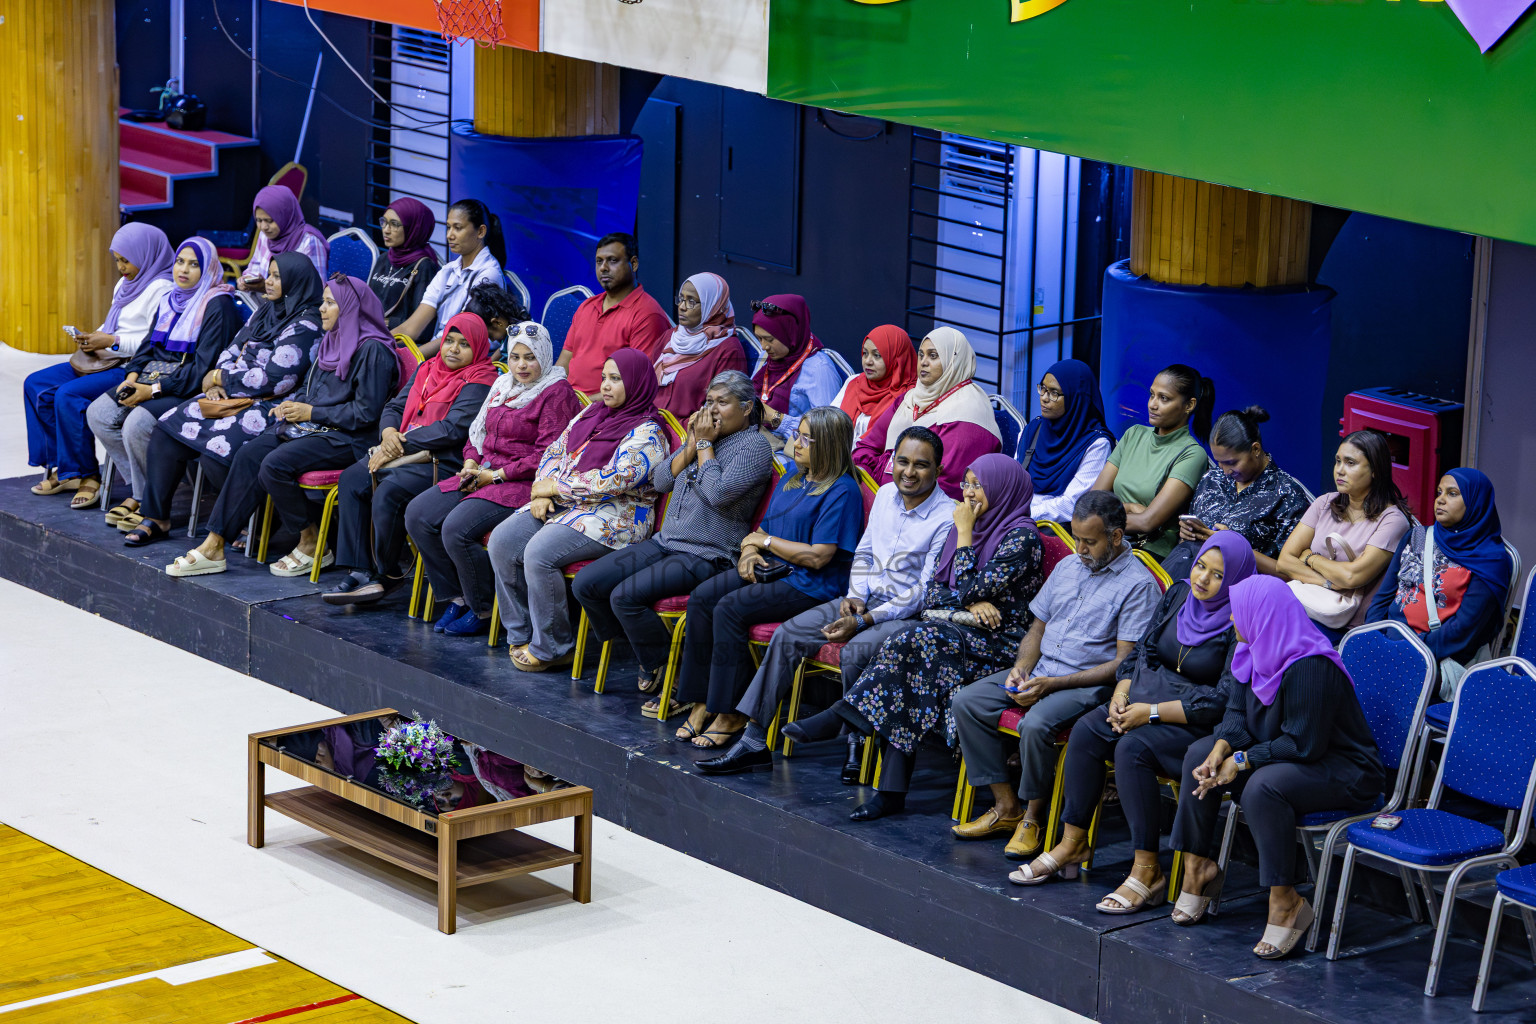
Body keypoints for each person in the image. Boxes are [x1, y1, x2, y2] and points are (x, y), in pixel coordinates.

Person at [784, 454, 1047, 821]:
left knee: (912, 644)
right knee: (910, 663)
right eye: (966, 483)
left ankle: (846, 720)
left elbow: (969, 589)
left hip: (999, 643)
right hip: (950, 633)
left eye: (978, 485)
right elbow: (935, 593)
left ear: (1003, 489)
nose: (968, 494)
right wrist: (968, 604)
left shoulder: (1022, 538)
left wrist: (967, 543)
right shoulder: (962, 527)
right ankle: (887, 788)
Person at [1010, 533, 1255, 912]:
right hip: (1143, 700)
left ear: (1236, 580)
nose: (1203, 579)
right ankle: (1073, 841)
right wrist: (1122, 694)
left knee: (1132, 748)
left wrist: (1150, 713)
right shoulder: (1178, 595)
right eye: (1201, 566)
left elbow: (1222, 700)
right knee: (1091, 728)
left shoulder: (1240, 620)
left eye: (1218, 575)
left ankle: (1147, 870)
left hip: (1195, 722)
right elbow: (1143, 651)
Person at [698, 425, 954, 779]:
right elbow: (864, 551)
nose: (908, 472)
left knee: (855, 651)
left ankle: (856, 744)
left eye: (921, 465)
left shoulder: (947, 516)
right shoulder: (884, 496)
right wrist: (855, 597)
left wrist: (867, 618)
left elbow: (924, 589)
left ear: (939, 470)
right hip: (860, 599)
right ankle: (754, 740)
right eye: (902, 461)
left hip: (905, 615)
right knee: (787, 635)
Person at [1169, 576, 1384, 960]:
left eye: (1239, 612)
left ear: (1263, 615)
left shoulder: (1310, 665)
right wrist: (1221, 750)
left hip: (1343, 767)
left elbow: (1304, 743)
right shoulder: (1251, 646)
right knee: (1196, 756)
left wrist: (1241, 760)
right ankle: (1197, 867)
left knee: (1262, 787)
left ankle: (1286, 901)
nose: (1233, 619)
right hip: (1287, 751)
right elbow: (1236, 716)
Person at [947, 490, 1160, 856]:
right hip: (1042, 670)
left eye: (1089, 542)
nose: (1079, 549)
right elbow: (1037, 630)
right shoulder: (1067, 567)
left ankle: (1033, 816)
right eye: (1076, 538)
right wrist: (1021, 668)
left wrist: (1052, 684)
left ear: (1116, 537)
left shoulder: (1138, 585)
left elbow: (1124, 664)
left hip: (1087, 684)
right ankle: (1006, 806)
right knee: (967, 701)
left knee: (1035, 725)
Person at [159, 275, 401, 579]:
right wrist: (293, 406)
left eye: (330, 303)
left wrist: (311, 410)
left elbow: (366, 413)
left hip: (349, 437)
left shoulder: (373, 350)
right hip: (316, 427)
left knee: (274, 464)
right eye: (323, 300)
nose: (322, 309)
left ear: (350, 307)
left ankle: (311, 539)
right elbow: (309, 387)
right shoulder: (334, 339)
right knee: (250, 454)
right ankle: (214, 544)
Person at [572, 370, 774, 702]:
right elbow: (661, 481)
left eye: (722, 403)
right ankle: (651, 657)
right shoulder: (704, 439)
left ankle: (672, 670)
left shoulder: (753, 447)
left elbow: (719, 495)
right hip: (666, 542)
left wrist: (705, 446)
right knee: (587, 584)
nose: (712, 410)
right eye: (709, 401)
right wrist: (692, 444)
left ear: (748, 407)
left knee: (624, 596)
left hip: (708, 554)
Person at [668, 406, 863, 749]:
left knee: (729, 608)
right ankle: (701, 702)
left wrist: (765, 543)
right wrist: (749, 553)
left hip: (810, 585)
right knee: (702, 597)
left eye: (806, 438)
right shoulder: (793, 477)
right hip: (772, 569)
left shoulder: (842, 490)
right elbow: (760, 531)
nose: (796, 443)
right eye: (797, 434)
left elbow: (819, 557)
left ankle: (730, 712)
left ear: (830, 445)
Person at [488, 348, 671, 671]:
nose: (605, 386)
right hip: (566, 504)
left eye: (616, 379)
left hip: (617, 516)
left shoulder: (649, 432)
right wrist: (542, 489)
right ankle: (520, 632)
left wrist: (554, 488)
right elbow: (554, 452)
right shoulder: (592, 414)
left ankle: (553, 646)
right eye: (604, 378)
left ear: (637, 383)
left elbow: (612, 481)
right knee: (502, 540)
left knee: (539, 553)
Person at [129, 253, 321, 550]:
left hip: (271, 404)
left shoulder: (307, 323)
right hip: (233, 393)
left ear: (296, 281)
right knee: (168, 428)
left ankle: (256, 523)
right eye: (268, 274)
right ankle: (156, 517)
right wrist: (220, 376)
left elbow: (277, 379)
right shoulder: (267, 310)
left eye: (277, 277)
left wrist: (222, 380)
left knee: (217, 452)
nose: (268, 282)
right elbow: (232, 348)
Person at [404, 321, 581, 636]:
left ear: (544, 355)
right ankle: (457, 597)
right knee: (418, 514)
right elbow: (477, 431)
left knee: (456, 529)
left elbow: (547, 456)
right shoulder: (502, 385)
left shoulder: (557, 392)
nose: (521, 365)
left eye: (530, 357)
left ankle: (482, 608)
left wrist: (496, 475)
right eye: (515, 357)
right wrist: (471, 461)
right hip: (484, 472)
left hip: (523, 483)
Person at [323, 313, 498, 605]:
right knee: (353, 478)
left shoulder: (481, 380)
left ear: (478, 348)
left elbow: (452, 429)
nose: (453, 349)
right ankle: (360, 570)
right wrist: (390, 432)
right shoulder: (428, 367)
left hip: (444, 461)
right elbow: (395, 405)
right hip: (404, 449)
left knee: (389, 490)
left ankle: (386, 574)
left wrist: (397, 445)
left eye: (464, 344)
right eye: (449, 341)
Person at [86, 238, 239, 535]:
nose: (184, 270)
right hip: (150, 377)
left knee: (137, 423)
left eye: (194, 264)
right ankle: (141, 490)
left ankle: (150, 505)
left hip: (187, 388)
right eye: (180, 261)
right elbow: (146, 349)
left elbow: (202, 370)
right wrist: (131, 378)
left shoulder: (218, 305)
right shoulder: (170, 298)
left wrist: (151, 391)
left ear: (208, 268)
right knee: (98, 413)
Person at [25, 223, 175, 508]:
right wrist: (93, 337)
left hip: (134, 368)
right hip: (107, 359)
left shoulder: (162, 289)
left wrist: (112, 340)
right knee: (35, 384)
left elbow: (153, 342)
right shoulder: (126, 283)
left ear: (146, 254)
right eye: (117, 259)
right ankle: (64, 467)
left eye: (126, 260)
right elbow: (113, 324)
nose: (120, 266)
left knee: (69, 394)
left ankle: (87, 475)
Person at [1366, 468, 1511, 687]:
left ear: (1476, 502)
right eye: (1439, 492)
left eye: (1452, 493)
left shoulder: (1491, 560)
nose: (1440, 500)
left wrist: (1407, 652)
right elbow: (1384, 596)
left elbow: (1463, 631)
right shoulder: (1417, 536)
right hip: (1389, 640)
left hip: (1436, 658)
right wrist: (1372, 637)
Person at [1277, 429, 1412, 636]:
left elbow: (1351, 577)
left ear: (1375, 470)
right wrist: (1329, 582)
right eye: (1337, 461)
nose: (1339, 470)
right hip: (1306, 603)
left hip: (1345, 624)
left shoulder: (1392, 521)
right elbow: (1284, 562)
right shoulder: (1324, 503)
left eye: (1350, 463)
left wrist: (1310, 558)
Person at [1162, 406, 1310, 581]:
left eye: (1231, 462)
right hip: (1183, 574)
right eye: (1219, 462)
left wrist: (1236, 547)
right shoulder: (1212, 478)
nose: (1224, 471)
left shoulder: (1287, 495)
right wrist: (1187, 533)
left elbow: (1292, 573)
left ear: (1255, 449)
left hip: (1238, 591)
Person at [852, 326, 1002, 499]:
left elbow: (945, 484)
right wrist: (870, 482)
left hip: (928, 510)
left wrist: (885, 485)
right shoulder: (910, 398)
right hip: (886, 495)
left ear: (954, 361)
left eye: (933, 356)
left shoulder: (969, 412)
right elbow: (867, 447)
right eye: (921, 355)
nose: (923, 362)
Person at [1091, 363, 1214, 559]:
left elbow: (1147, 522)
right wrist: (1131, 508)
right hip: (1109, 541)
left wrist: (1097, 521)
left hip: (1149, 554)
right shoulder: (1134, 434)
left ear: (1189, 405)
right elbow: (1093, 500)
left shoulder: (1192, 454)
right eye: (1152, 394)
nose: (1152, 404)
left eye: (1164, 398)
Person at [558, 233, 673, 394]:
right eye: (599, 261)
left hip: (605, 412)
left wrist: (578, 404)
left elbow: (636, 386)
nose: (603, 268)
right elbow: (563, 364)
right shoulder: (586, 307)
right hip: (570, 403)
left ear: (633, 264)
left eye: (612, 260)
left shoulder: (648, 315)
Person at [391, 199, 506, 353]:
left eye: (457, 228)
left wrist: (413, 359)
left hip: (459, 356)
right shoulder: (447, 270)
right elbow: (413, 327)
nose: (449, 235)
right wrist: (379, 342)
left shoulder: (489, 274)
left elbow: (459, 335)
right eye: (448, 227)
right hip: (436, 352)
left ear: (481, 232)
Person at [1020, 358, 1115, 522]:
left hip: (1056, 529)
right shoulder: (1033, 429)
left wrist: (1021, 515)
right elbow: (1014, 481)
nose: (1044, 397)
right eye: (1042, 388)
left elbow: (1072, 505)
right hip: (1018, 519)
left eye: (1054, 393)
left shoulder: (1096, 444)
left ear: (1076, 398)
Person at [749, 295, 845, 444]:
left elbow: (827, 433)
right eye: (759, 338)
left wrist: (776, 418)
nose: (764, 346)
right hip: (757, 437)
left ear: (790, 333)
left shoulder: (819, 370)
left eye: (769, 339)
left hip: (792, 451)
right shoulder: (766, 356)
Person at [653, 272, 748, 417]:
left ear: (713, 305)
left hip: (688, 433)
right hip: (649, 423)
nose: (682, 307)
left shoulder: (728, 350)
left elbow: (722, 412)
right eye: (681, 299)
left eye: (691, 301)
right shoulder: (670, 337)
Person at [237, 185, 328, 296]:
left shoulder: (309, 241)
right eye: (259, 220)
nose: (263, 227)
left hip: (295, 310)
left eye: (269, 221)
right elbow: (255, 266)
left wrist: (267, 288)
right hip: (265, 304)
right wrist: (247, 280)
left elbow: (317, 290)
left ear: (286, 215)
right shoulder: (264, 236)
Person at [830, 325, 917, 439]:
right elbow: (829, 423)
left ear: (897, 359)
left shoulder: (910, 396)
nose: (868, 361)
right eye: (865, 353)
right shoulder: (854, 382)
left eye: (877, 355)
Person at [367, 197, 441, 330]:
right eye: (384, 222)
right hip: (372, 332)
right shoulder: (384, 259)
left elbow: (423, 326)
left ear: (414, 228)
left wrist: (386, 323)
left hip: (399, 340)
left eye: (394, 224)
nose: (386, 230)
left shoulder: (424, 266)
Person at [464, 283, 530, 357]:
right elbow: (502, 349)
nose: (492, 340)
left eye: (490, 335)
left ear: (497, 323)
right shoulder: (510, 329)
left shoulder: (521, 339)